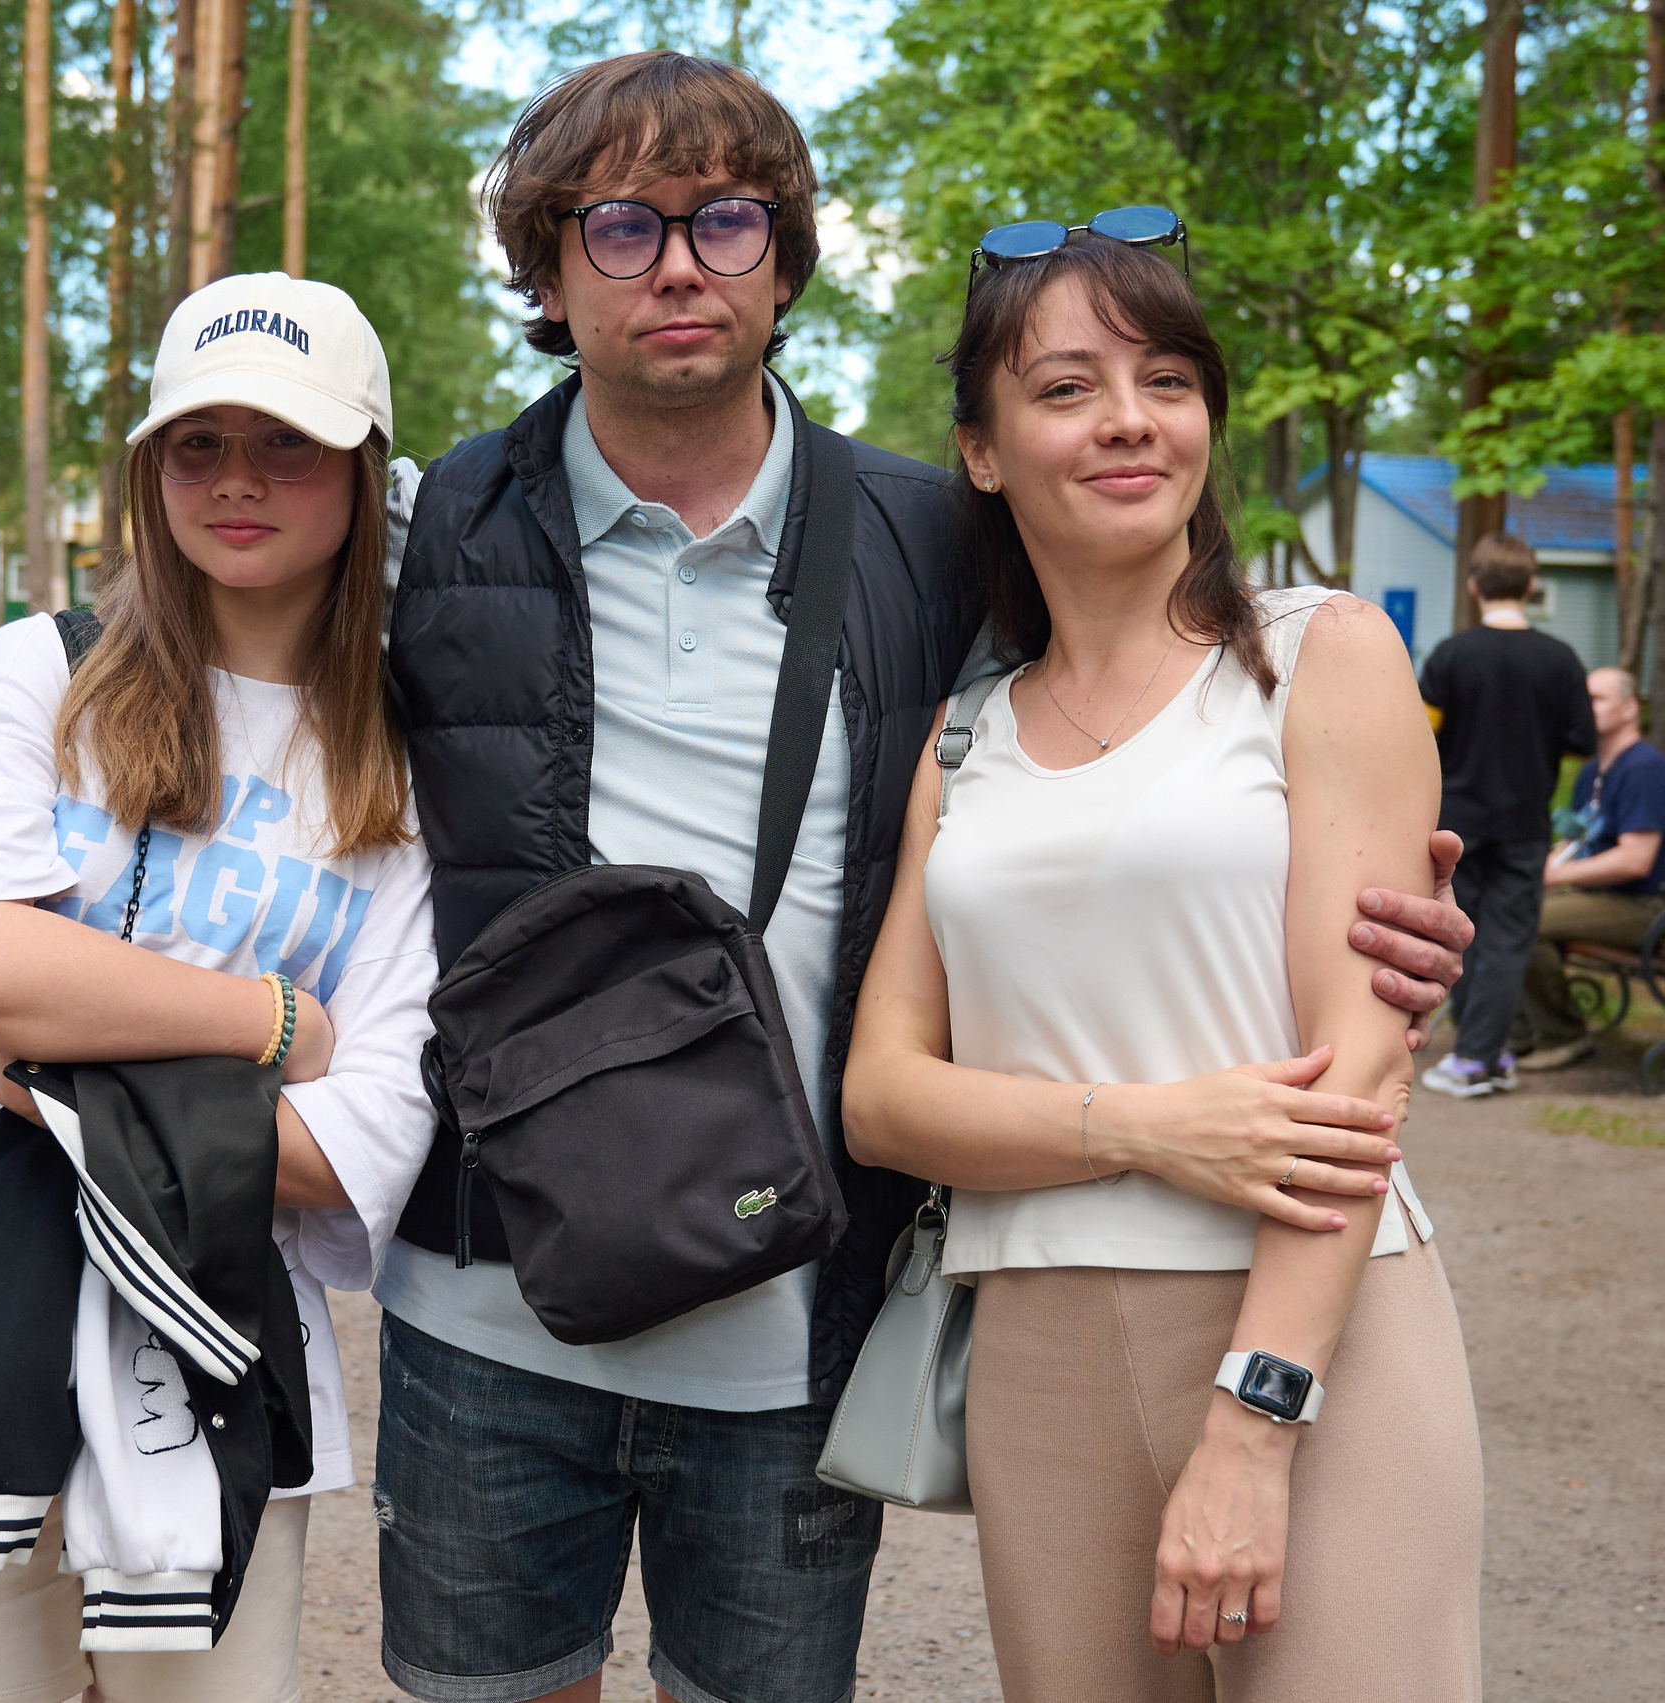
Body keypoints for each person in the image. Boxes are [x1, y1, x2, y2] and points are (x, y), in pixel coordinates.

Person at [366, 53, 1475, 1703]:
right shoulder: (430, 525)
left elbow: (1151, 712)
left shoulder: (924, 540)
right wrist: (18, 732)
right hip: (489, 1297)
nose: (679, 261)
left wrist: (1383, 908)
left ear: (786, 257)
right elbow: (212, 653)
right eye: (619, 224)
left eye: (726, 219)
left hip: (795, 1302)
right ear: (544, 266)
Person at [843, 230, 1481, 1701]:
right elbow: (883, 1095)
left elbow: (1357, 1069)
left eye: (1169, 377)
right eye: (1068, 385)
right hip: (1034, 1350)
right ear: (983, 452)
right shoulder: (963, 738)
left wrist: (1259, 1421)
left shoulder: (1323, 656)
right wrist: (1141, 1122)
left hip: (1315, 1329)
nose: (1132, 416)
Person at [0, 274, 439, 1703]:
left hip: (221, 1360)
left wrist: (64, 1051)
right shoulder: (42, 672)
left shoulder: (399, 762)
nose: (238, 480)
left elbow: (352, 1145)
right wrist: (273, 1022)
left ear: (361, 468)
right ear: (150, 472)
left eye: (286, 444)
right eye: (196, 444)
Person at [1415, 534, 1597, 1098]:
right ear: (1532, 585)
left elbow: (1422, 735)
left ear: (1473, 587)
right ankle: (1481, 1053)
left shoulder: (1450, 654)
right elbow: (1584, 739)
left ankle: (1477, 1056)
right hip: (1525, 821)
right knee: (1510, 937)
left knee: (1461, 934)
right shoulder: (1561, 660)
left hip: (1458, 822)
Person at [1514, 665, 1665, 1068]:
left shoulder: (1644, 769)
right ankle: (1520, 1032)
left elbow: (1635, 859)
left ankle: (1563, 1036)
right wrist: (1537, 868)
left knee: (1523, 919)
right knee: (1507, 907)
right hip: (1598, 898)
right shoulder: (1594, 771)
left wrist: (1554, 876)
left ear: (1629, 709)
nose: (1585, 707)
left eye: (1598, 699)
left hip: (1646, 907)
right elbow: (1576, 839)